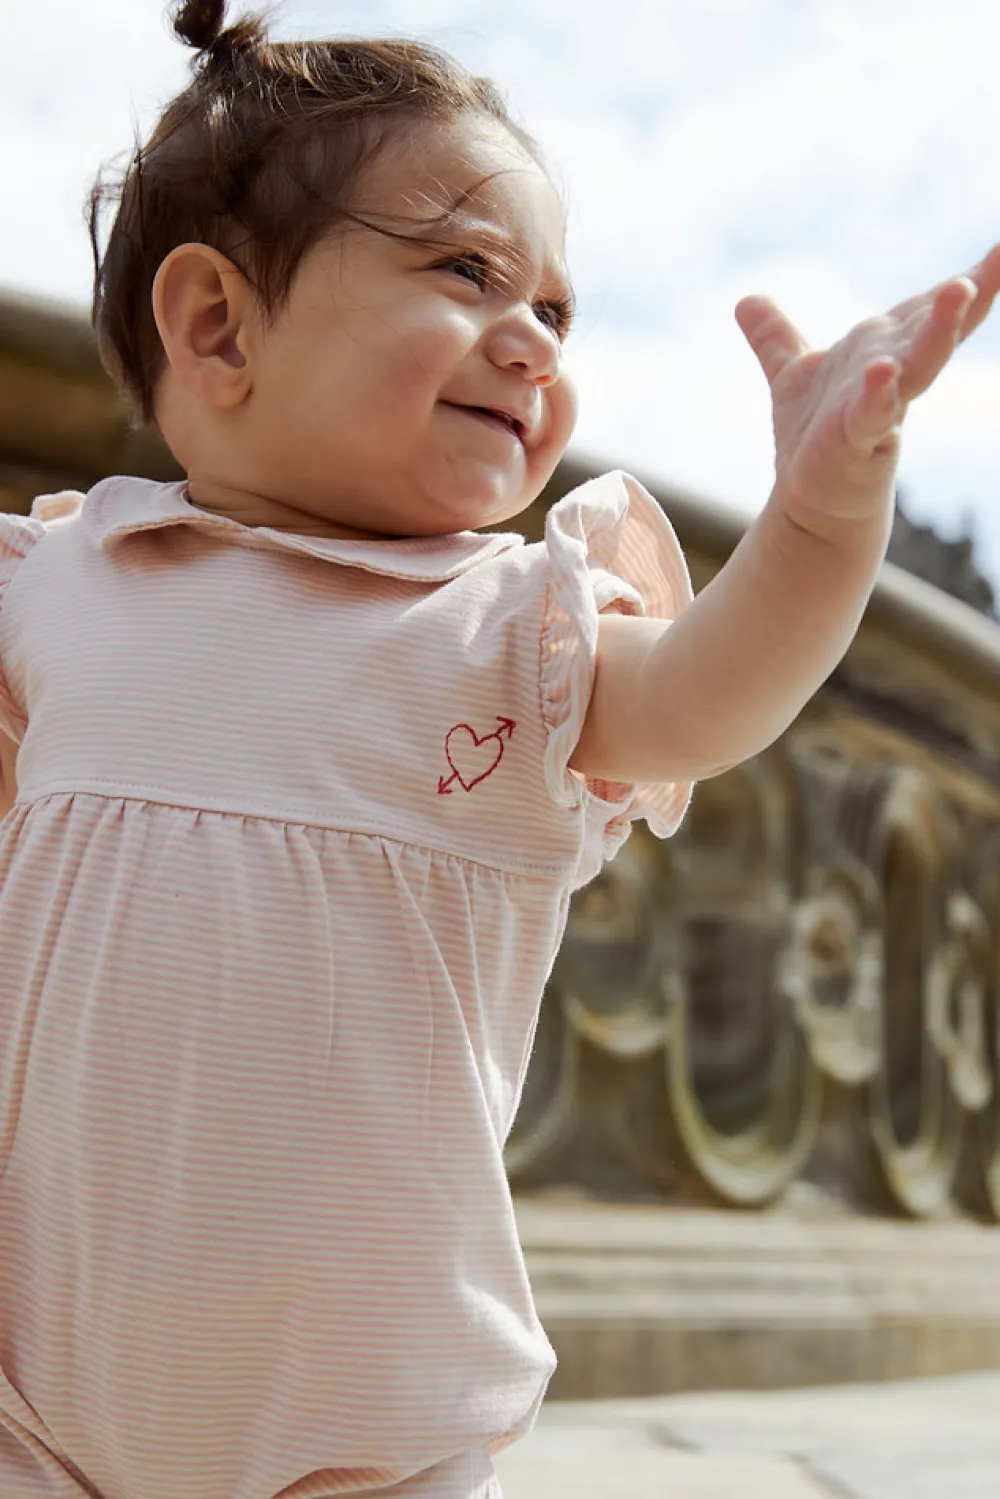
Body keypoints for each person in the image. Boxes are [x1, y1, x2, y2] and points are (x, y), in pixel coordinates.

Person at [0, 2, 997, 1496]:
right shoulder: (61, 589)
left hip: (371, 1425)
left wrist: (821, 511)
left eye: (558, 310)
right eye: (468, 271)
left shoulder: (518, 630)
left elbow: (718, 690)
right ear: (218, 327)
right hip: (39, 1402)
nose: (532, 339)